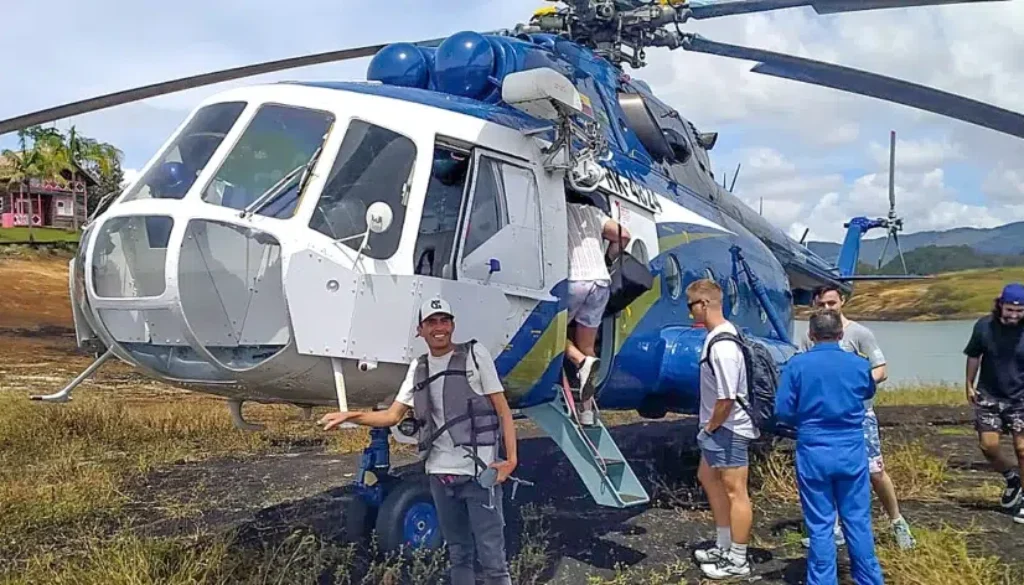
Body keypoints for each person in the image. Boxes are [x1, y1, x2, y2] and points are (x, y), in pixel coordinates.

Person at [320, 297, 518, 585]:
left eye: (444, 320)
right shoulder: (419, 367)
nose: (439, 328)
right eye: (432, 322)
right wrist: (351, 415)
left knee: (493, 559)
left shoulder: (476, 356)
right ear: (420, 330)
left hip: (479, 475)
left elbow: (502, 409)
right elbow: (392, 416)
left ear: (452, 325)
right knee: (459, 553)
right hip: (440, 476)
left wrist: (510, 461)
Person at [798, 284, 916, 550]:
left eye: (831, 303)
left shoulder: (860, 333)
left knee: (875, 470)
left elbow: (881, 369)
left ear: (842, 301)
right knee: (831, 472)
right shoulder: (810, 336)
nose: (827, 308)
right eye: (821, 305)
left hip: (859, 414)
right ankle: (834, 527)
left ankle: (897, 521)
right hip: (825, 417)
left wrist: (853, 386)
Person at [777, 309, 886, 585]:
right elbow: (867, 392)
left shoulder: (797, 365)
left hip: (813, 448)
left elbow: (783, 410)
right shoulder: (858, 365)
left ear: (811, 335)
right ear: (840, 334)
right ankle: (869, 580)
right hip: (850, 446)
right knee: (857, 520)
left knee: (820, 524)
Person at [687, 278, 758, 579]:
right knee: (708, 477)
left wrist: (710, 428)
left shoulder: (724, 345)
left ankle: (738, 559)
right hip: (718, 428)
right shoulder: (717, 337)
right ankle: (724, 543)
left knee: (735, 491)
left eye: (691, 306)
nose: (690, 313)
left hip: (728, 428)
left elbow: (727, 398)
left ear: (704, 304)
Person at [964, 282, 1024, 524]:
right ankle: (1012, 478)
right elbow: (974, 355)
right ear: (1000, 305)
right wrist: (968, 383)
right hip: (989, 394)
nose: (1014, 315)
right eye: (1010, 310)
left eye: (1020, 311)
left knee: (1022, 449)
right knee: (988, 446)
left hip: (1021, 396)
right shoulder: (983, 326)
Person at [565, 199, 630, 425]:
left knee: (548, 334)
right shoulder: (593, 213)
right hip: (600, 281)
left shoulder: (553, 206)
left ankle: (579, 361)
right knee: (588, 345)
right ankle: (587, 412)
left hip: (573, 278)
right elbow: (624, 236)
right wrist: (608, 258)